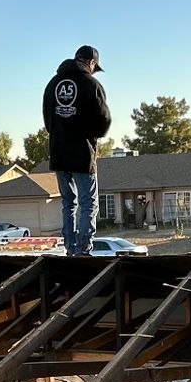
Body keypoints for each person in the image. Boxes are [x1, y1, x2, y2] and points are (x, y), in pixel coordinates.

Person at [42, 45, 112, 257]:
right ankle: (83, 248)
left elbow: (47, 121)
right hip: (82, 154)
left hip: (59, 153)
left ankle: (70, 248)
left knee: (68, 203)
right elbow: (104, 121)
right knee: (88, 203)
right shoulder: (92, 85)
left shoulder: (52, 85)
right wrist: (92, 135)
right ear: (91, 63)